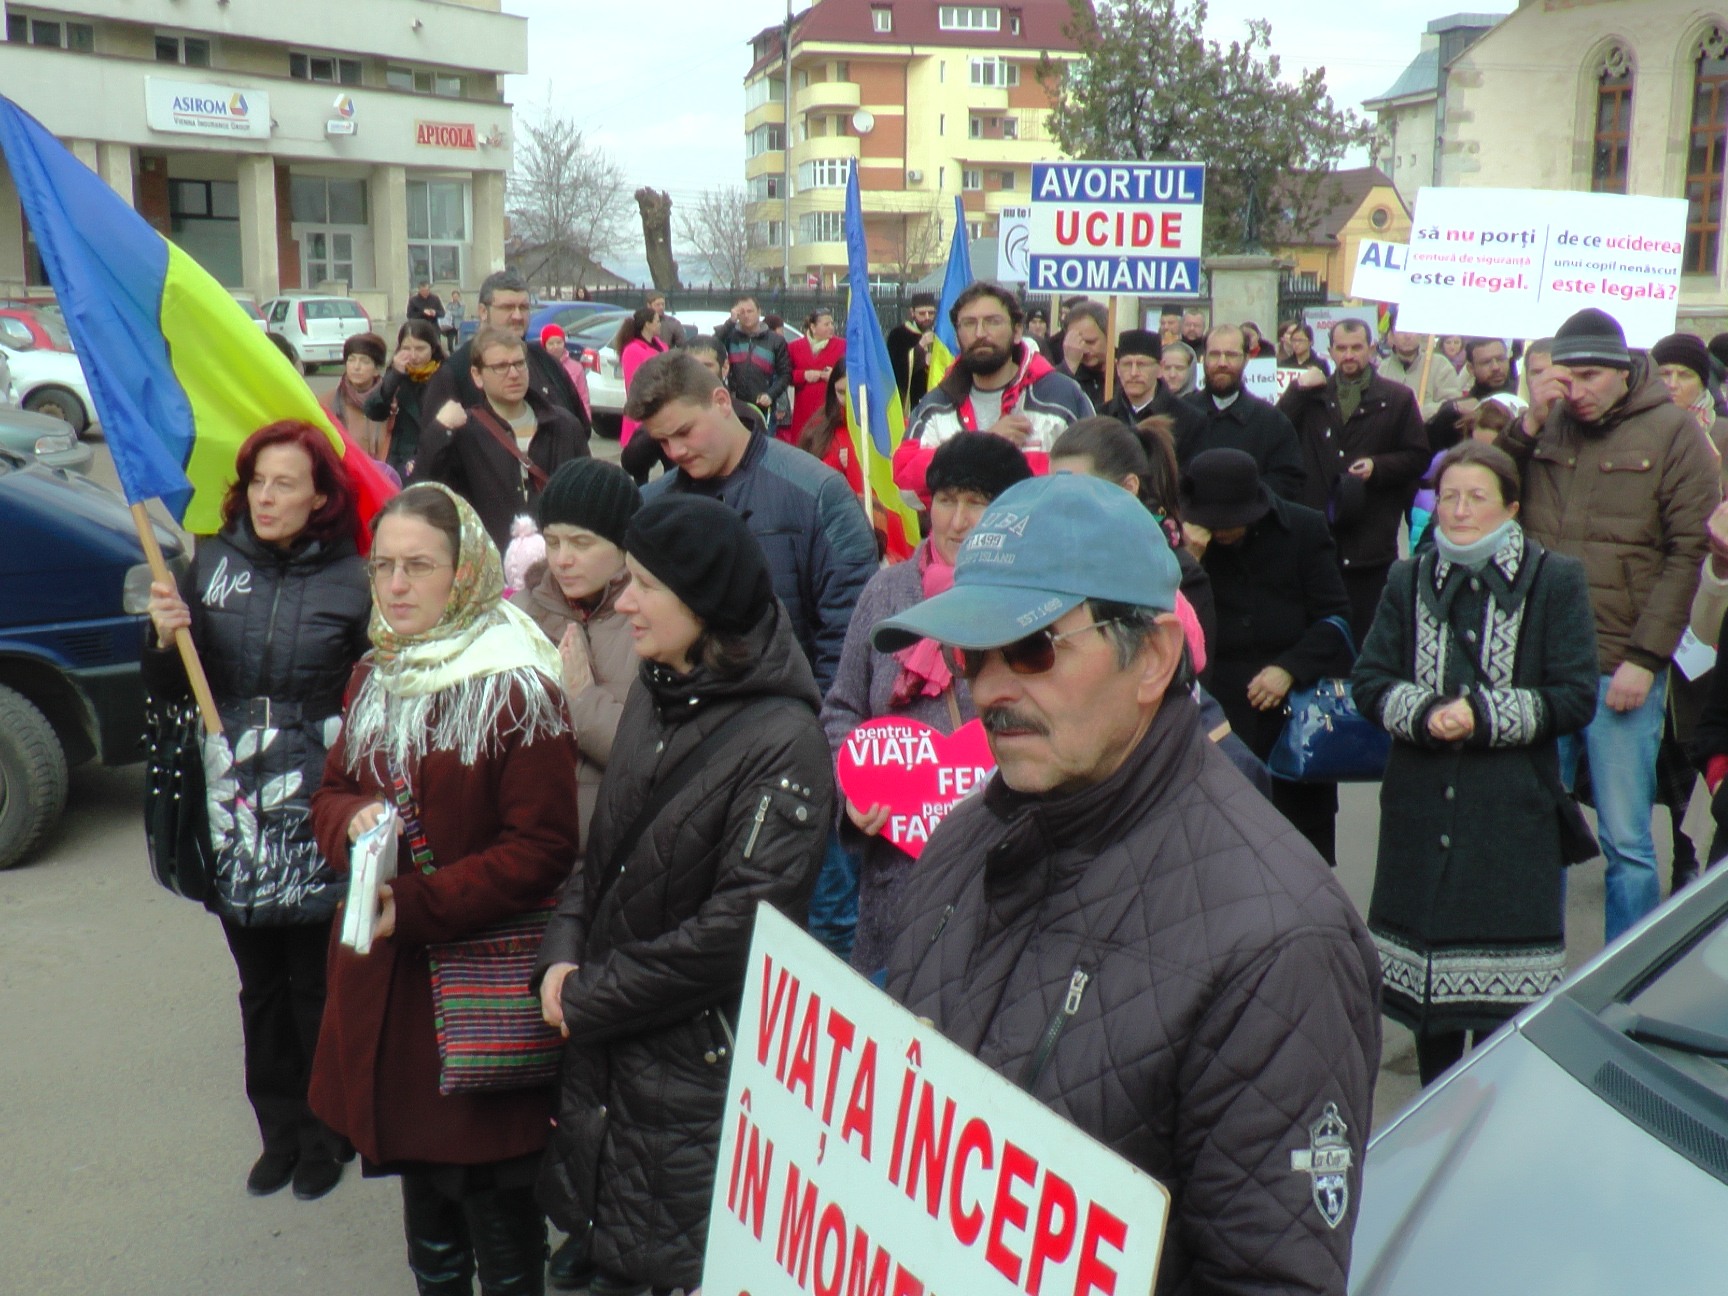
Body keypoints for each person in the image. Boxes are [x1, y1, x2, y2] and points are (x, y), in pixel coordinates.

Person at [870, 472, 1380, 1295]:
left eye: (1033, 647)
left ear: (1153, 658)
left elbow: (1269, 1276)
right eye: (971, 653)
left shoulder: (1281, 945)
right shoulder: (966, 838)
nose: (990, 687)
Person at [534, 495, 832, 1296]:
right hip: (609, 1055)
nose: (623, 602)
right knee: (608, 1243)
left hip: (695, 1076)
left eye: (645, 586)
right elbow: (604, 855)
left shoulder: (784, 741)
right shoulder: (656, 685)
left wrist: (589, 995)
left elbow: (739, 933)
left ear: (703, 605)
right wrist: (559, 957)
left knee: (668, 1261)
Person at [310, 483, 577, 1296]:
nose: (396, 586)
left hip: (478, 988)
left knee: (500, 1221)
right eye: (383, 566)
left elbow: (542, 849)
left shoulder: (516, 685)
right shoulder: (378, 672)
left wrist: (419, 905)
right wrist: (353, 820)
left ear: (465, 572)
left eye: (418, 566)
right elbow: (331, 792)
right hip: (389, 994)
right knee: (427, 1217)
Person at [143, 421, 372, 1203]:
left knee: (315, 984)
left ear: (320, 497)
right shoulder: (208, 566)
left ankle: (327, 1132)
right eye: (258, 482)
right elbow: (171, 689)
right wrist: (162, 638)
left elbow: (374, 694)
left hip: (315, 803)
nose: (267, 497)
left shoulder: (356, 579)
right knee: (260, 986)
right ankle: (279, 1133)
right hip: (232, 800)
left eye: (286, 484)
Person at [1353, 442, 1598, 1085]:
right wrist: (1426, 712)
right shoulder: (1407, 580)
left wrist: (1481, 716)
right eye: (1449, 497)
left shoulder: (1554, 580)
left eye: (1476, 498)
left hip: (1511, 819)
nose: (1459, 510)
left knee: (1499, 1021)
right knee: (1431, 1017)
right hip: (1419, 809)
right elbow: (1369, 681)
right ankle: (1434, 1110)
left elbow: (1575, 695)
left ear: (1511, 507)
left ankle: (1489, 1121)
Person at [1497, 307, 1720, 942]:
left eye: (1590, 376)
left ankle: (1625, 978)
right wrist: (1526, 426)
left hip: (1620, 665)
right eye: (1565, 377)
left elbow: (1689, 553)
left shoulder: (1674, 432)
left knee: (1626, 839)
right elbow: (1491, 493)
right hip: (1542, 663)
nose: (1575, 390)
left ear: (1624, 371)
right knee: (1538, 828)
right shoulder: (1547, 425)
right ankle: (1535, 968)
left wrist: (1645, 659)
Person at [822, 433, 1032, 974]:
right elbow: (843, 707)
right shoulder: (886, 593)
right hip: (895, 880)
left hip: (998, 875)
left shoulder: (1029, 604)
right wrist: (855, 786)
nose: (957, 521)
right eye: (946, 500)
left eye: (976, 503)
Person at [628, 349, 876, 694]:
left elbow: (849, 634)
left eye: (684, 432)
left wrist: (815, 717)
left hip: (791, 713)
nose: (675, 452)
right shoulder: (651, 506)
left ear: (721, 401)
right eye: (662, 441)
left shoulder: (817, 492)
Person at [1182, 448, 1355, 862]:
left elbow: (1335, 617)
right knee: (1224, 852)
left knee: (1297, 855)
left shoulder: (1303, 528)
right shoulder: (1186, 544)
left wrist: (1289, 668)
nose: (1221, 532)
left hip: (1291, 720)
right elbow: (1177, 629)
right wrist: (1190, 561)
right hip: (1221, 716)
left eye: (1229, 523)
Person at [510, 458, 641, 859]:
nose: (562, 559)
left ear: (624, 544)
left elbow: (661, 756)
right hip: (532, 854)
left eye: (581, 543)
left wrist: (581, 701)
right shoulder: (518, 616)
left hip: (625, 853)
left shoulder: (653, 619)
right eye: (552, 542)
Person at [1279, 318, 1431, 643]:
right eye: (1342, 348)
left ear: (1372, 349)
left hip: (1370, 543)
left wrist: (1379, 467)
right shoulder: (1313, 396)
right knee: (1318, 637)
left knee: (1367, 638)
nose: (1349, 355)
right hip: (1319, 540)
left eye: (1356, 348)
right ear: (1330, 351)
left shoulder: (1397, 398)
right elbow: (1277, 431)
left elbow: (1418, 456)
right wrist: (1297, 390)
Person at [892, 281, 1092, 499]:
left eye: (992, 322)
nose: (980, 333)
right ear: (957, 337)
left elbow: (1095, 481)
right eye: (969, 324)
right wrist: (981, 446)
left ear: (1017, 331)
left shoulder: (1061, 397)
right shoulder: (936, 405)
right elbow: (906, 487)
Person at [417, 326, 591, 551]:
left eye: (519, 364)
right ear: (477, 376)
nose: (514, 374)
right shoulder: (463, 431)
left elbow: (587, 495)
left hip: (556, 558)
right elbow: (424, 494)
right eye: (501, 366)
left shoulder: (563, 425)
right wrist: (439, 431)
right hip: (491, 559)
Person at [419, 269, 589, 450]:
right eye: (507, 307)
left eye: (523, 307)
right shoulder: (454, 372)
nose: (517, 316)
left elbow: (579, 432)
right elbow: (432, 448)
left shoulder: (547, 363)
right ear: (483, 311)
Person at [1181, 323, 1307, 500]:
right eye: (1214, 354)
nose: (1222, 363)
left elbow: (1288, 481)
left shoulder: (1273, 422)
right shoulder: (1180, 416)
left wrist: (1246, 500)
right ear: (1204, 358)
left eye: (1231, 355)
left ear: (1246, 359)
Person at [1099, 328, 1205, 449]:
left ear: (1160, 368)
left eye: (1142, 364)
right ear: (1117, 368)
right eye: (1127, 364)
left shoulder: (1189, 420)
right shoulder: (1101, 417)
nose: (1133, 373)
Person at [365, 320, 444, 479]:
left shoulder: (445, 376)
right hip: (403, 460)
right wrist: (395, 375)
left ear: (433, 348)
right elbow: (373, 411)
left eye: (420, 349)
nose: (413, 356)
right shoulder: (397, 376)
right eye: (407, 349)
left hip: (440, 458)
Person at [712, 294, 792, 436]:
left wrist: (771, 395)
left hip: (762, 405)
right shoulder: (731, 337)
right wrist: (731, 321)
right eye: (742, 312)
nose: (746, 316)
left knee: (762, 445)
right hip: (735, 403)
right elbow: (712, 345)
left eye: (750, 311)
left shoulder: (775, 340)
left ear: (759, 312)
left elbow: (785, 374)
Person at [1426, 337, 1516, 450]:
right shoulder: (1456, 411)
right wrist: (1449, 412)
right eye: (1486, 362)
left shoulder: (1525, 397)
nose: (1495, 367)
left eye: (1500, 359)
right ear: (1470, 368)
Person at [1654, 331, 1728, 454]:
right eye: (1665, 374)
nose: (1672, 385)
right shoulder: (1632, 428)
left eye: (1684, 375)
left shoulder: (1723, 435)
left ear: (1702, 384)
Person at [798, 359, 861, 497]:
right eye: (841, 392)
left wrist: (855, 462)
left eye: (853, 392)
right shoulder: (821, 423)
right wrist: (837, 462)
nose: (847, 399)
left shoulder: (887, 428)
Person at [323, 332, 389, 458]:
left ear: (376, 369)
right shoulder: (327, 402)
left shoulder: (391, 402)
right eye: (351, 360)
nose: (356, 367)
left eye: (365, 361)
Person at [787, 306, 845, 445]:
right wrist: (803, 375)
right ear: (813, 327)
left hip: (829, 410)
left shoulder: (842, 346)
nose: (831, 327)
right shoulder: (795, 347)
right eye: (826, 324)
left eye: (831, 323)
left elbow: (852, 374)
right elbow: (785, 375)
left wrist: (834, 376)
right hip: (803, 412)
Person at [1380, 325, 1465, 419]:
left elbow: (1453, 404)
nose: (1408, 336)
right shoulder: (1381, 370)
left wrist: (1423, 412)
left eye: (1412, 330)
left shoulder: (1440, 365)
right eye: (1401, 331)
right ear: (1391, 336)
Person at [611, 308, 668, 451]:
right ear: (647, 324)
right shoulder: (633, 350)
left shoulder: (661, 346)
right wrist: (640, 422)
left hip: (662, 410)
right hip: (642, 416)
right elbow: (633, 387)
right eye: (657, 321)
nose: (660, 324)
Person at [886, 291, 937, 407]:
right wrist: (920, 347)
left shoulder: (940, 334)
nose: (927, 317)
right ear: (912, 313)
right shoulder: (898, 335)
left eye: (931, 313)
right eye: (922, 313)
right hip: (911, 400)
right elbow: (896, 369)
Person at [1057, 300, 1108, 408]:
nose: (1084, 349)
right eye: (1077, 342)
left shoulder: (1125, 371)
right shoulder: (1058, 375)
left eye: (1091, 342)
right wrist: (1069, 366)